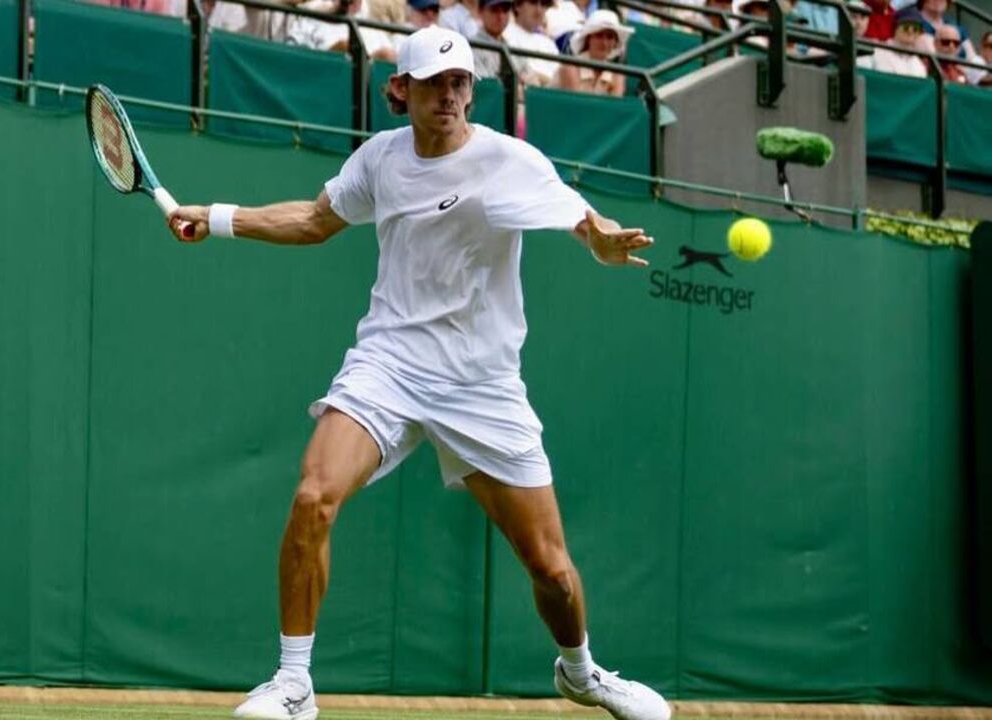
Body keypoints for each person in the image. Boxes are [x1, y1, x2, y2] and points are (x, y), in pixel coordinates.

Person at [166, 24, 669, 720]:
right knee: (313, 496)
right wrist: (217, 217)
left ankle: (581, 673)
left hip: (481, 384)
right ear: (399, 90)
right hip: (390, 365)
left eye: (460, 82)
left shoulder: (509, 160)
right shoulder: (380, 160)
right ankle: (292, 684)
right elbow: (314, 220)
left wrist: (602, 242)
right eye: (433, 83)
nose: (449, 95)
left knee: (551, 570)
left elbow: (581, 219)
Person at [559, 9, 631, 96]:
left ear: (615, 42)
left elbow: (615, 108)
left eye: (610, 37)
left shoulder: (617, 75)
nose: (604, 43)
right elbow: (575, 106)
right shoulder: (570, 68)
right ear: (588, 39)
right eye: (599, 36)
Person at [504, 0, 564, 86]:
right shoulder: (506, 34)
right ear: (517, 6)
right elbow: (519, 73)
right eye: (533, 2)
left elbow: (559, 80)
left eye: (543, 4)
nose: (539, 10)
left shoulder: (549, 43)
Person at [856, 13, 928, 76]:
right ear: (895, 28)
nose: (910, 32)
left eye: (916, 29)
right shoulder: (876, 51)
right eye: (906, 27)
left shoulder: (919, 65)